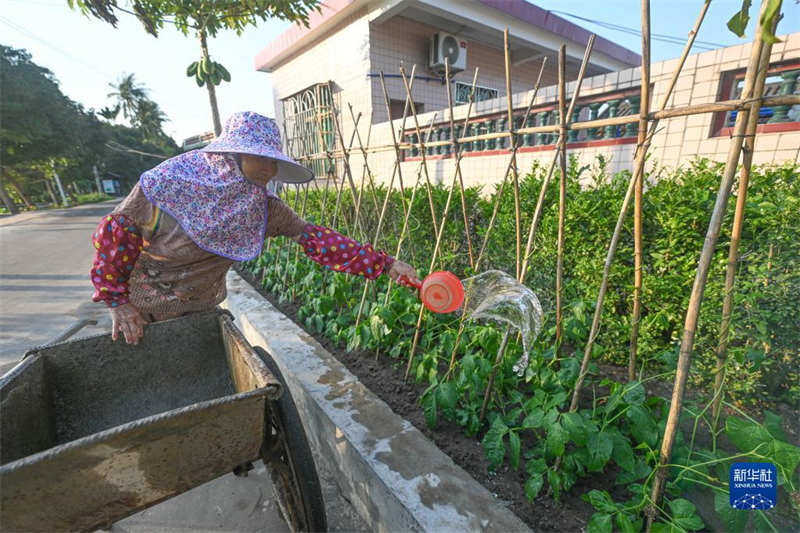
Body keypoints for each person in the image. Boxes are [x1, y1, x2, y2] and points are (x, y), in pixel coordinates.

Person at [90, 111, 420, 345]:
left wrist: (387, 265)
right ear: (232, 154)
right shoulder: (168, 185)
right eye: (259, 157)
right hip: (140, 311)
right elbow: (117, 236)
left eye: (273, 159)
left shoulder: (263, 208)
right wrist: (117, 302)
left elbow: (317, 239)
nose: (270, 168)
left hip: (199, 310)